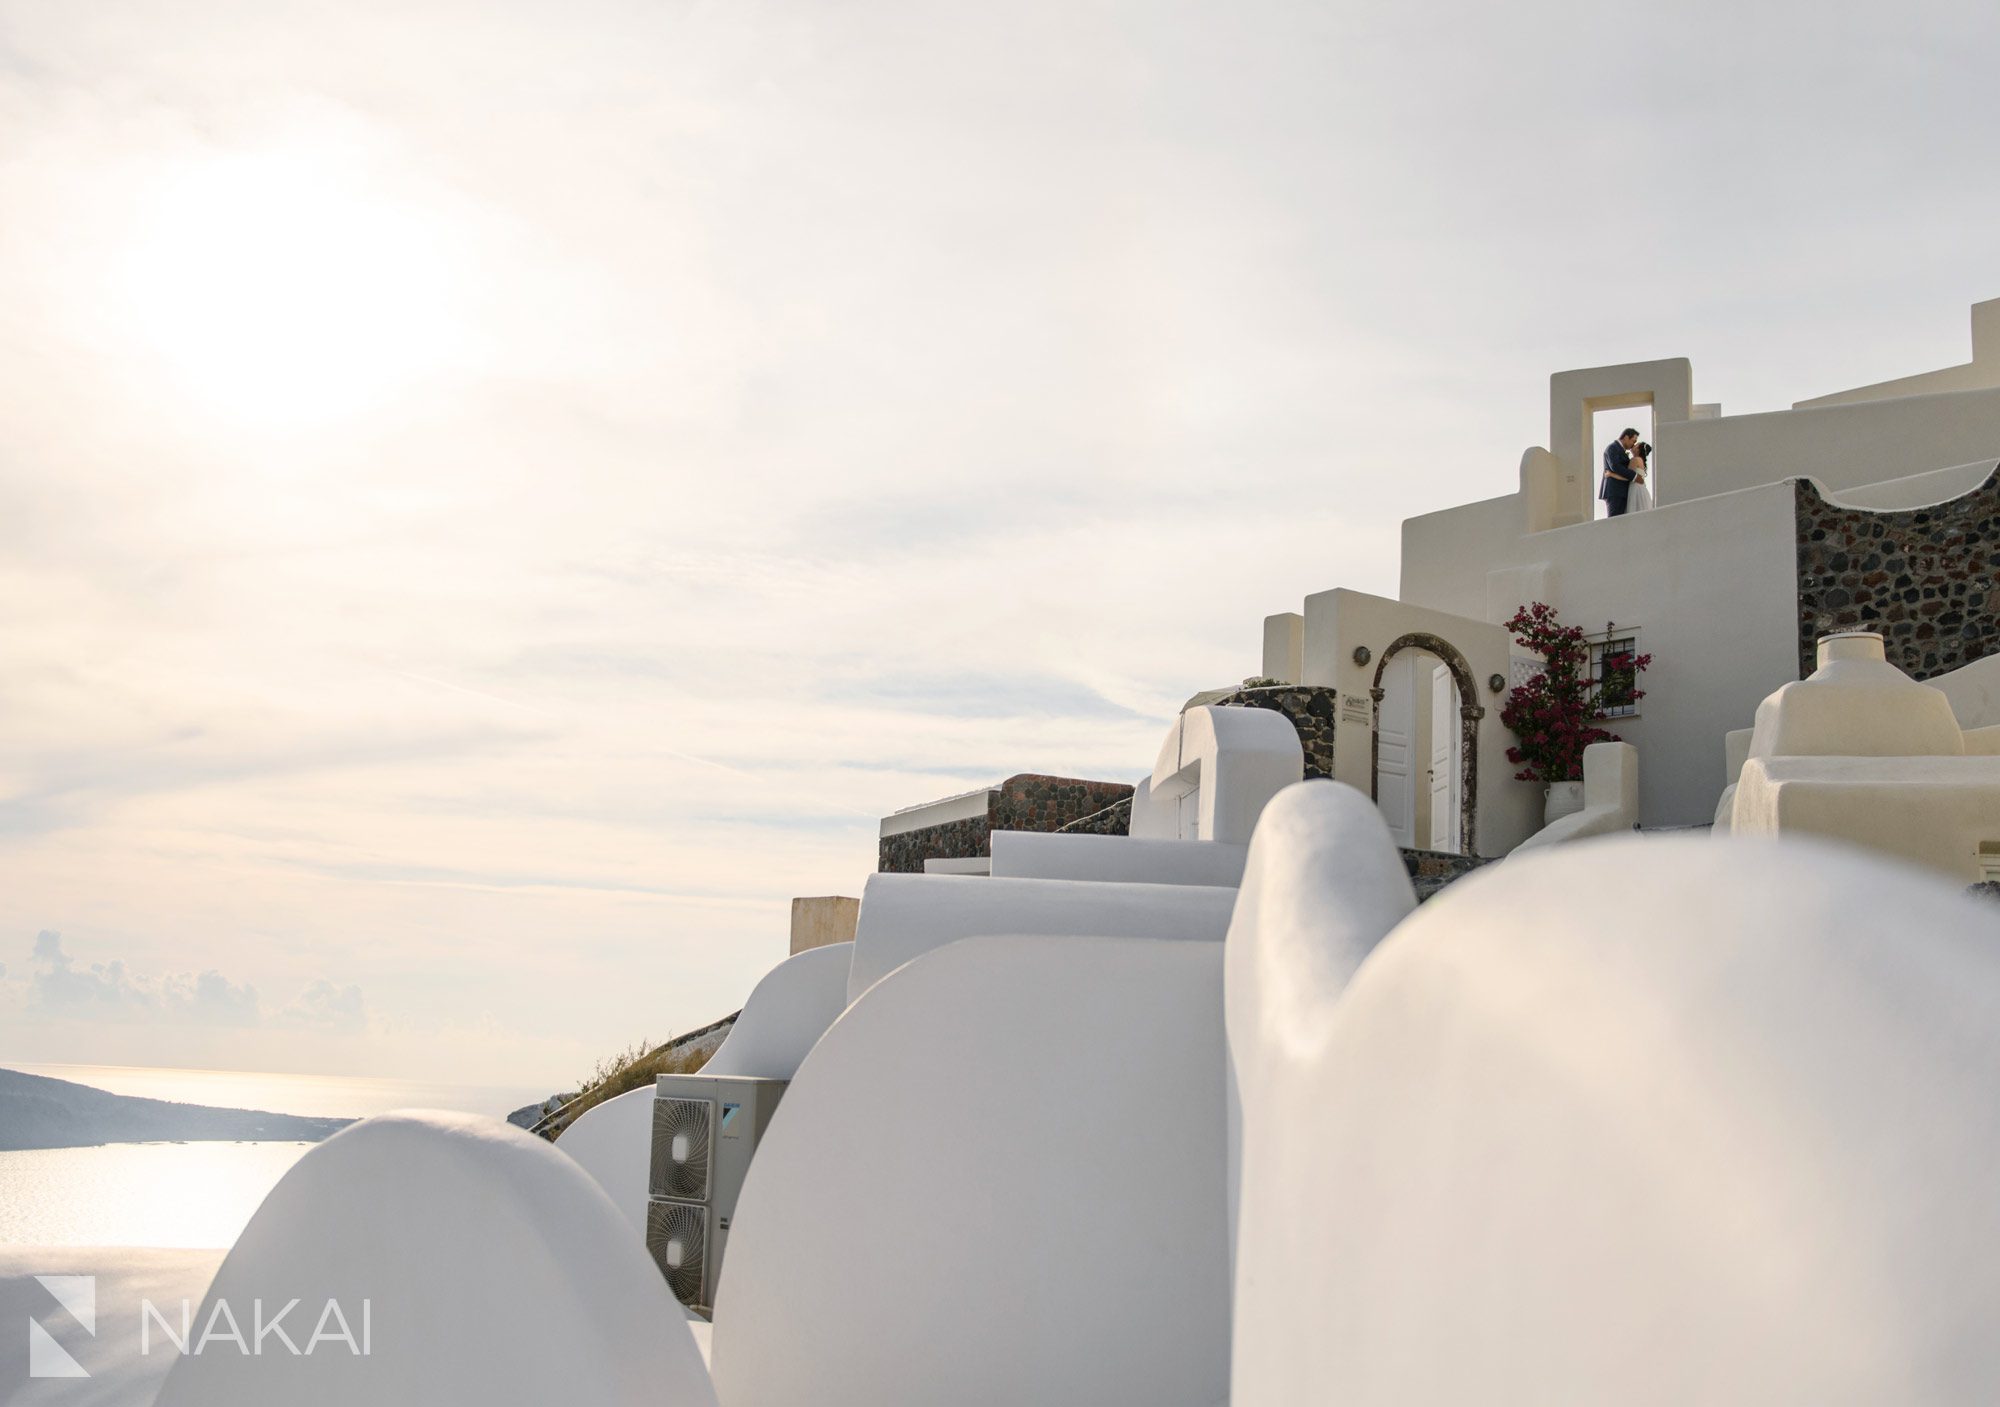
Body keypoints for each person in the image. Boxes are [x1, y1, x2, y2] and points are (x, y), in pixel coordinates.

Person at [1600, 428, 1640, 517]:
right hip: (1615, 491)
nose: (1633, 445)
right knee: (1614, 521)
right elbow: (1615, 466)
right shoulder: (1612, 448)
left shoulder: (1620, 450)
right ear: (1626, 437)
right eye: (1633, 441)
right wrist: (1635, 476)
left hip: (1621, 492)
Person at [1627, 440, 1653, 512]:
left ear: (1638, 450)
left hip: (1635, 488)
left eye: (1636, 445)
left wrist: (1611, 474)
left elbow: (1627, 475)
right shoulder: (1640, 460)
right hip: (1641, 489)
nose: (1633, 445)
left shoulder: (1635, 460)